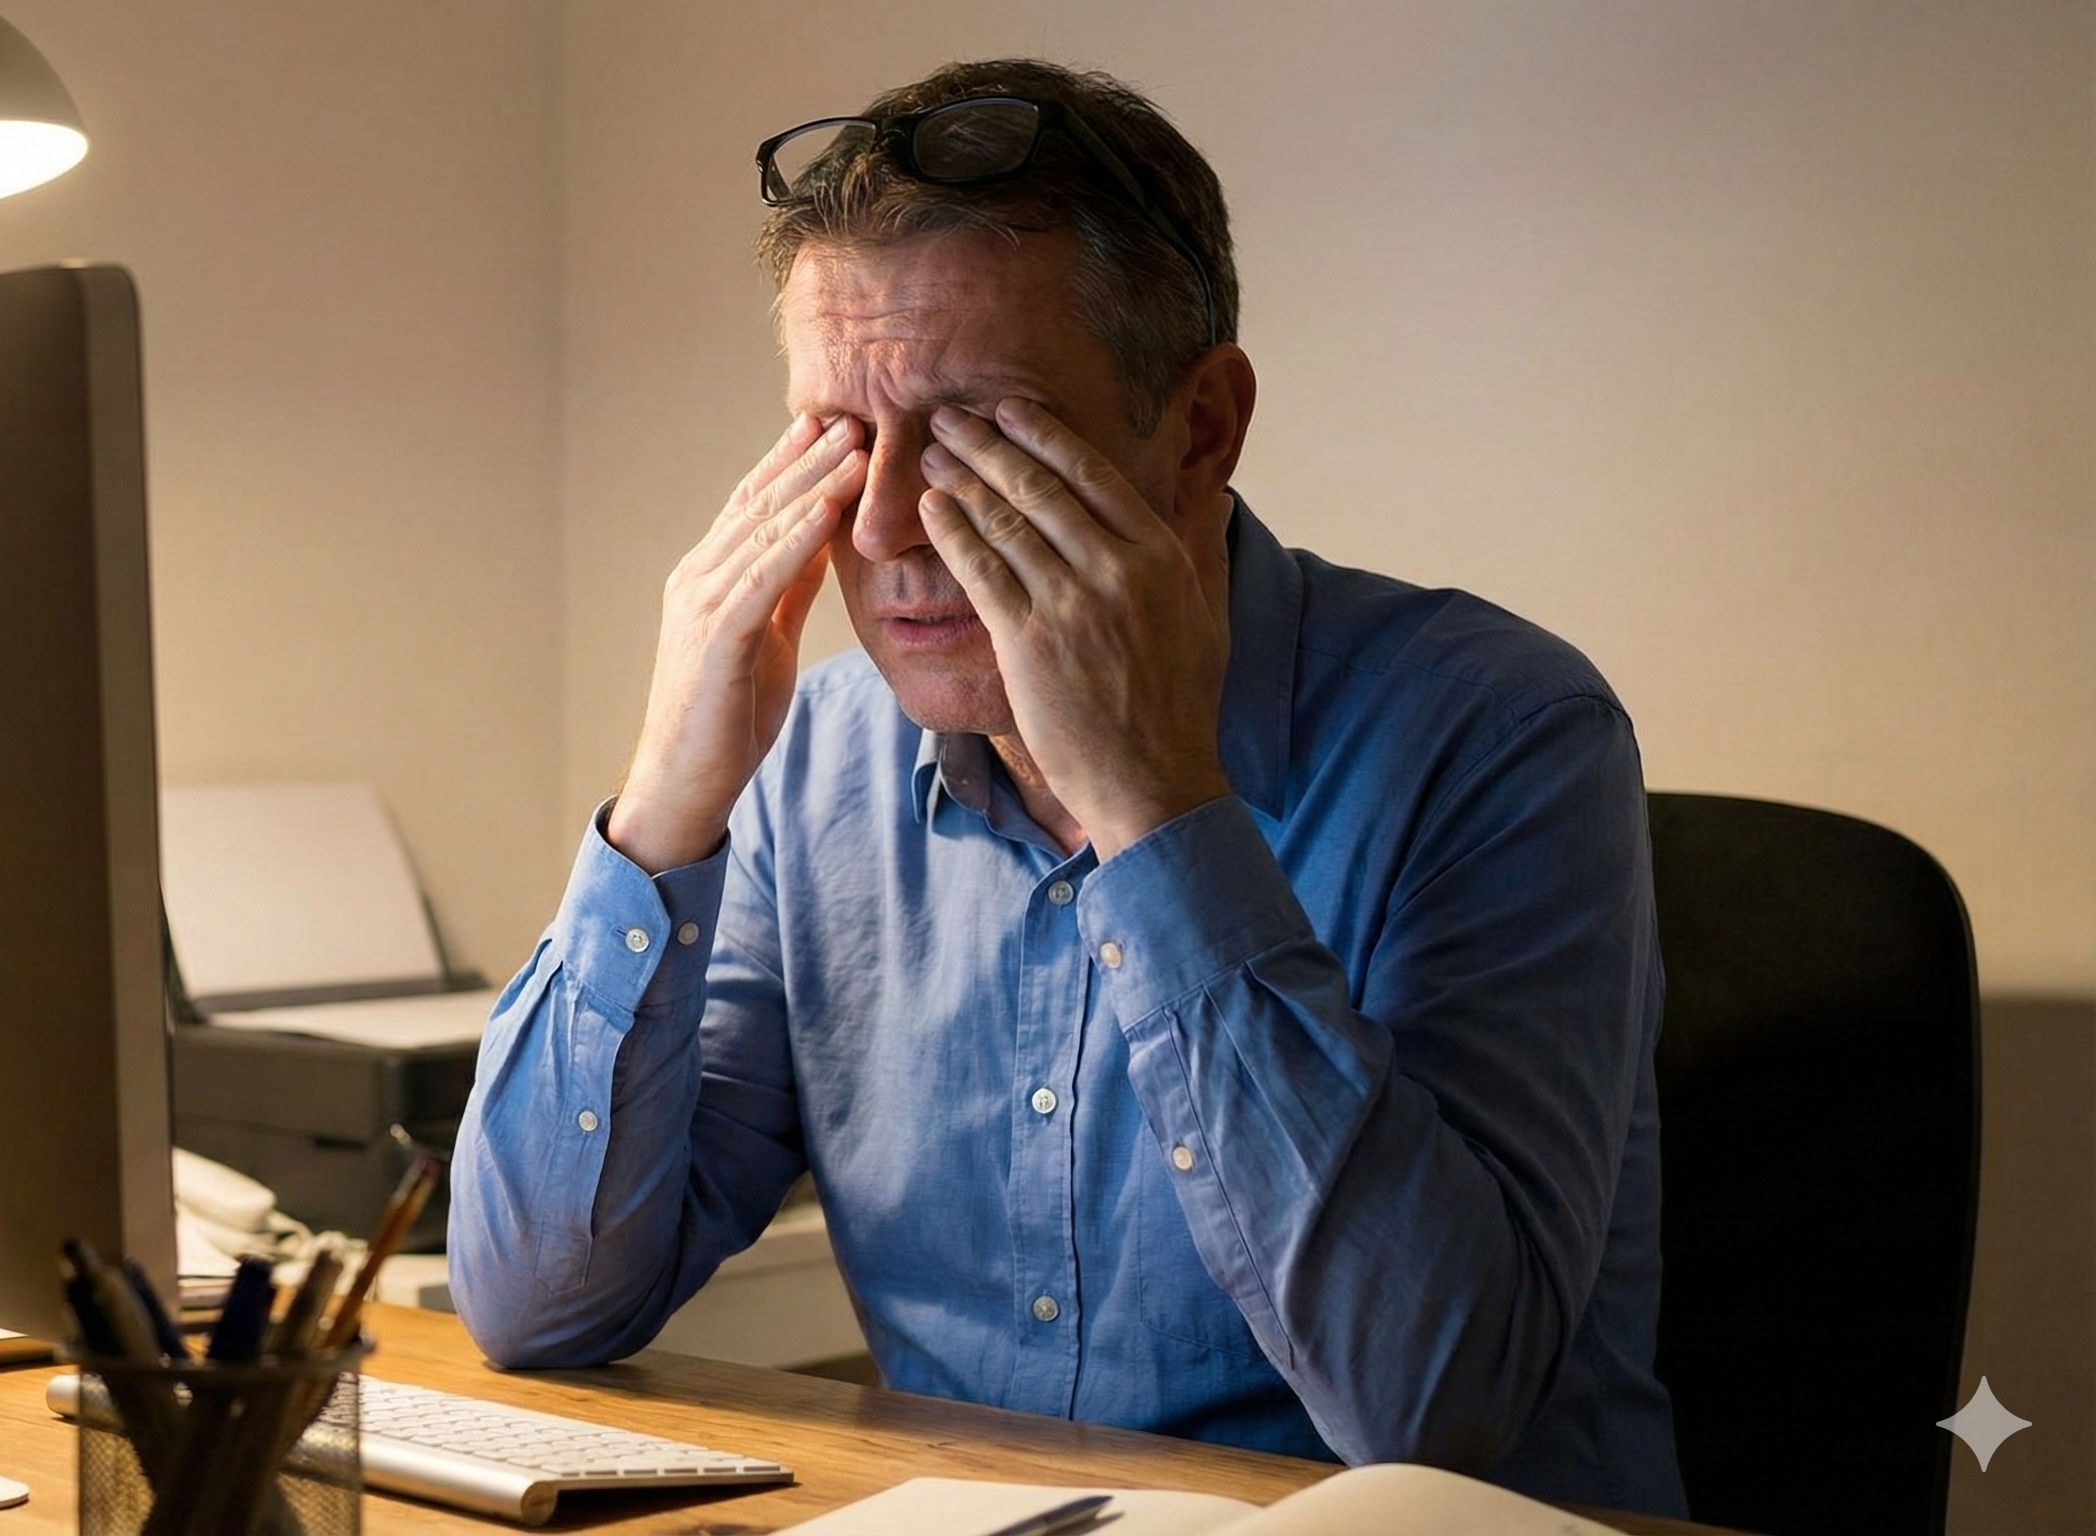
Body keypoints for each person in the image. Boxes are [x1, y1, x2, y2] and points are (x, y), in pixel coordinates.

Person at [446, 57, 1684, 1518]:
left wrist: (1157, 813)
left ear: (1201, 428)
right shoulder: (811, 764)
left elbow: (1432, 1412)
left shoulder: (1500, 729)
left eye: (980, 432)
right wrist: (663, 804)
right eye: (841, 437)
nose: (893, 522)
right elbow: (539, 1306)